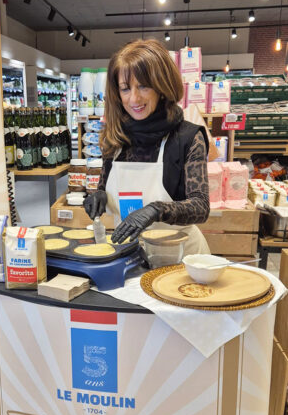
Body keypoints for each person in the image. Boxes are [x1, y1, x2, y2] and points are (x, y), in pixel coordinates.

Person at [84, 39, 210, 254]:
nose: (134, 98)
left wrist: (156, 210)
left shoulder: (188, 138)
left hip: (180, 257)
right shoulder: (115, 138)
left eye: (143, 86)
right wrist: (99, 197)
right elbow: (104, 187)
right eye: (125, 89)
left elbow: (201, 206)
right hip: (128, 255)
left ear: (162, 86)